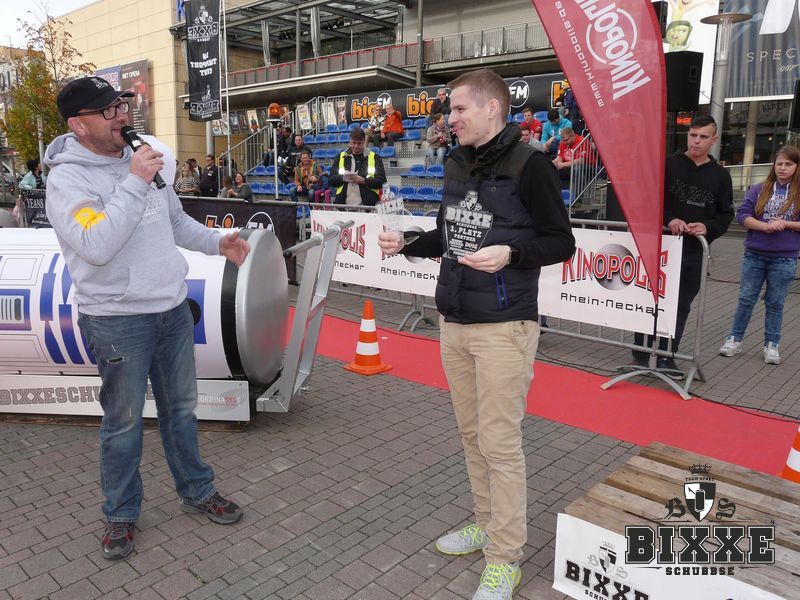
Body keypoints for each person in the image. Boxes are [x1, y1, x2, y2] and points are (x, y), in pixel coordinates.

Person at [378, 69, 575, 600]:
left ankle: (505, 557)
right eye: (451, 109)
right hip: (455, 320)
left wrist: (512, 253)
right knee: (471, 438)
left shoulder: (530, 164)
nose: (451, 118)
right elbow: (451, 234)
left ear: (493, 108)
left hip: (505, 327)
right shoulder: (456, 161)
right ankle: (487, 525)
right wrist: (410, 244)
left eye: (461, 108)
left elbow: (562, 242)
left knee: (500, 445)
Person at [43, 76, 250, 561]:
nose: (121, 115)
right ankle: (120, 513)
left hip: (172, 310)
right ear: (78, 125)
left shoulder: (140, 156)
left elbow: (174, 222)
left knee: (181, 412)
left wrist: (217, 242)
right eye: (107, 110)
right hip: (117, 320)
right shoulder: (67, 180)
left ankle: (197, 491)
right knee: (123, 423)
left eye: (121, 105)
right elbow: (96, 245)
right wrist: (134, 181)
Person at [632, 115, 734, 376]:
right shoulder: (668, 164)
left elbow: (725, 214)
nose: (696, 141)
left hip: (693, 252)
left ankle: (667, 355)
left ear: (714, 139)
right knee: (649, 300)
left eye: (703, 137)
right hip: (661, 248)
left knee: (680, 306)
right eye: (692, 135)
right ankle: (641, 352)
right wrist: (669, 219)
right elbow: (648, 200)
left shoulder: (721, 176)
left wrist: (707, 227)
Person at [719, 146, 800, 365]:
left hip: (785, 258)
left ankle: (772, 344)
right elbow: (742, 215)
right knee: (746, 299)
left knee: (775, 303)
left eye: (789, 164)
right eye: (779, 163)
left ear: (797, 167)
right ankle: (734, 339)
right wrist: (763, 226)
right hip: (754, 255)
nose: (783, 168)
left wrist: (785, 223)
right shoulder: (759, 188)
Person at [329, 128, 386, 206]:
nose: (356, 146)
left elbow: (381, 181)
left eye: (359, 143)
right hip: (343, 206)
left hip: (368, 207)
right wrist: (343, 178)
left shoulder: (375, 157)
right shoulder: (340, 156)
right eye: (353, 143)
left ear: (364, 142)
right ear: (350, 142)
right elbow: (331, 180)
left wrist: (364, 181)